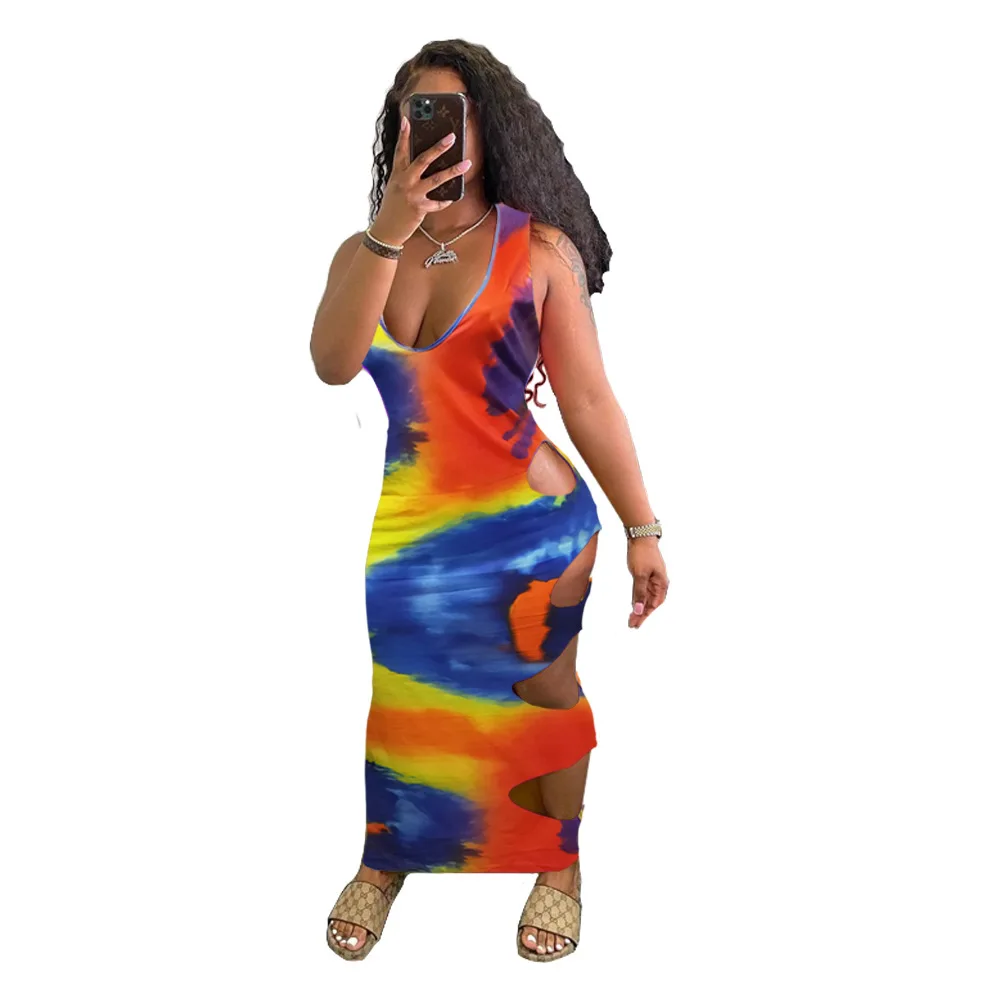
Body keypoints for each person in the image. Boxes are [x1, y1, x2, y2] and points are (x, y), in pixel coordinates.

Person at [311, 38, 669, 962]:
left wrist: (643, 527)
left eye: (454, 113)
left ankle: (559, 864)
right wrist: (391, 226)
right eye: (418, 113)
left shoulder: (538, 249)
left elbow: (587, 399)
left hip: (534, 527)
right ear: (397, 130)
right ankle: (388, 858)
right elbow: (332, 364)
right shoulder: (364, 252)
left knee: (541, 689)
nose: (438, 131)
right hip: (410, 531)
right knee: (406, 696)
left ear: (488, 127)